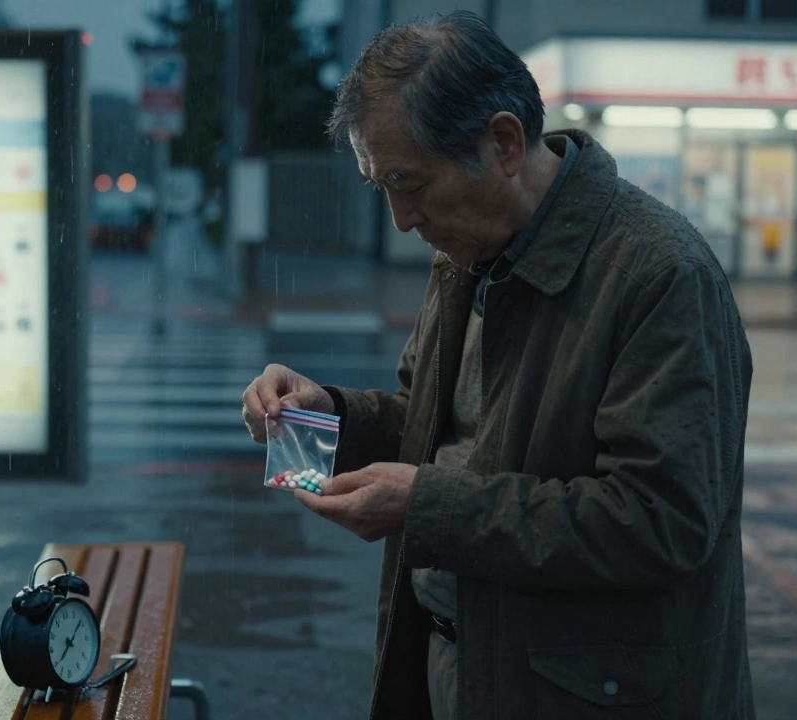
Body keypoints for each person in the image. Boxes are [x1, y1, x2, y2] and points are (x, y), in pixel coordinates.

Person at [241, 11, 754, 720]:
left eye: (409, 182)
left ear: (505, 143)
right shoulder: (466, 252)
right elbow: (433, 428)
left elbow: (659, 523)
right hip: (462, 661)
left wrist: (428, 506)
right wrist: (329, 416)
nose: (400, 218)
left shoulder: (659, 274)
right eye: (379, 185)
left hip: (592, 694)